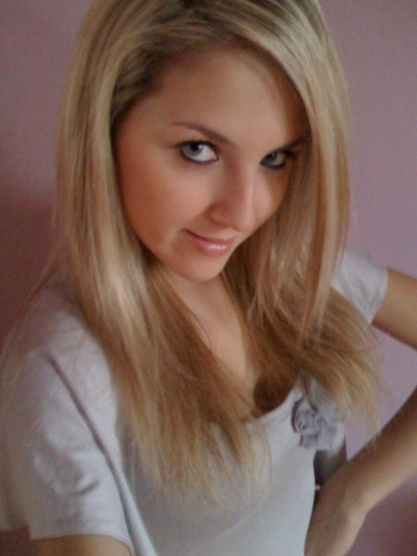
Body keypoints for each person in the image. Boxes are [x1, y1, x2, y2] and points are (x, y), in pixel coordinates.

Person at [0, 1, 416, 555]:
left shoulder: (287, 268)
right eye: (199, 151)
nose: (244, 213)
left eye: (276, 158)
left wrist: (352, 496)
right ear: (106, 128)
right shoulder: (62, 367)